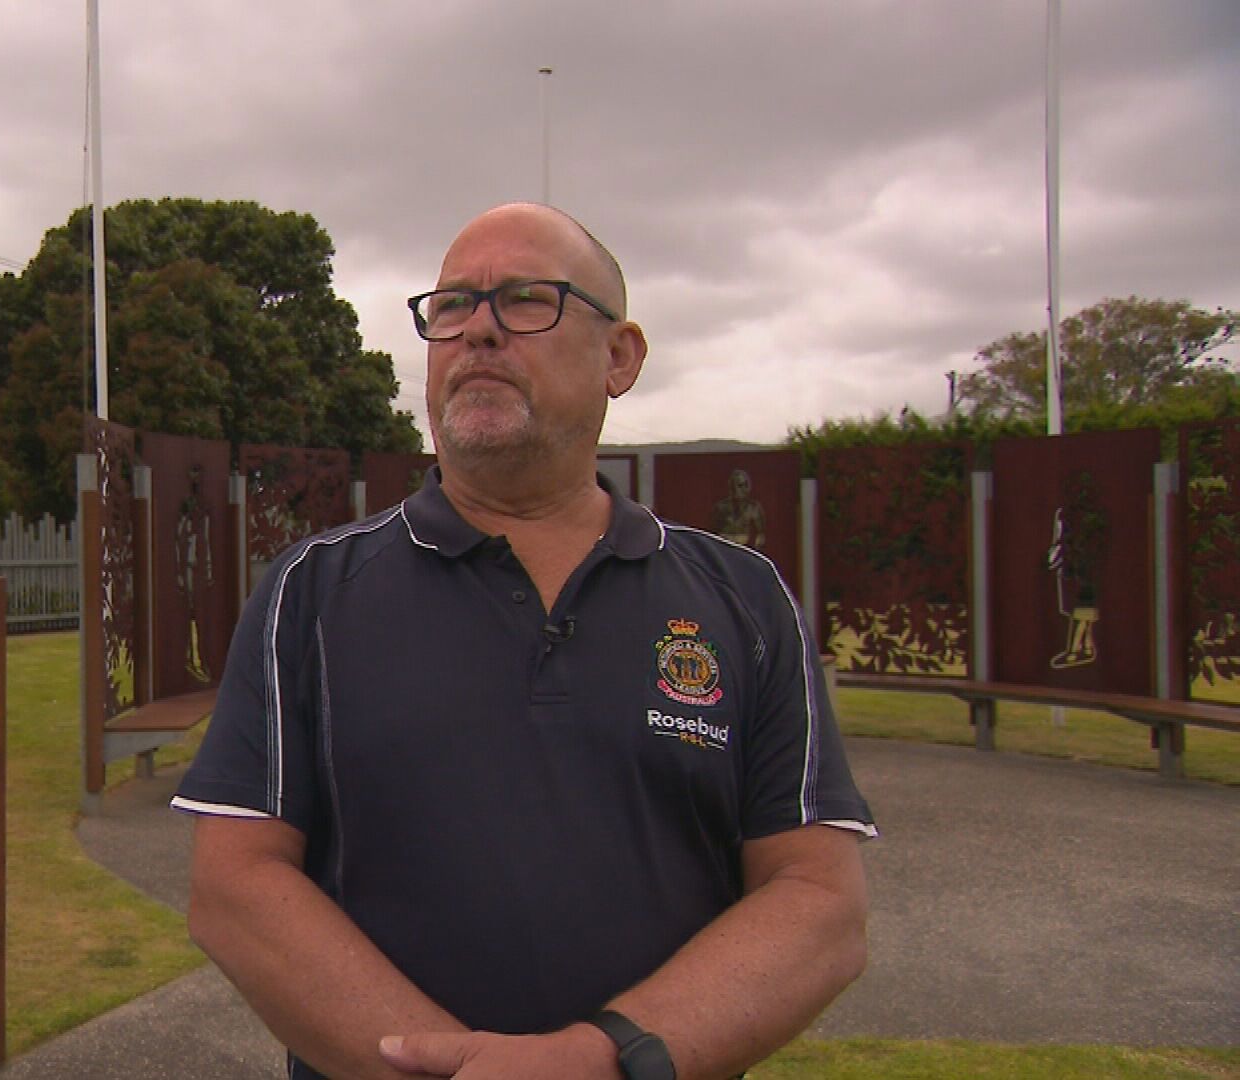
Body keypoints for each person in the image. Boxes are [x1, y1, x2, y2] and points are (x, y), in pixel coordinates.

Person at [172, 203, 876, 1080]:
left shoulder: (743, 599)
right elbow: (235, 889)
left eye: (525, 299)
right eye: (455, 305)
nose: (479, 332)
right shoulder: (309, 594)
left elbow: (817, 900)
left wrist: (609, 1061)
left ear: (620, 357)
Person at [710, 468, 766, 549]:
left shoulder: (754, 508)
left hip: (744, 549)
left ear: (747, 487)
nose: (736, 490)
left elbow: (760, 534)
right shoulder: (721, 507)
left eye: (740, 485)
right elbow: (712, 534)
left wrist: (754, 550)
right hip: (723, 549)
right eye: (733, 486)